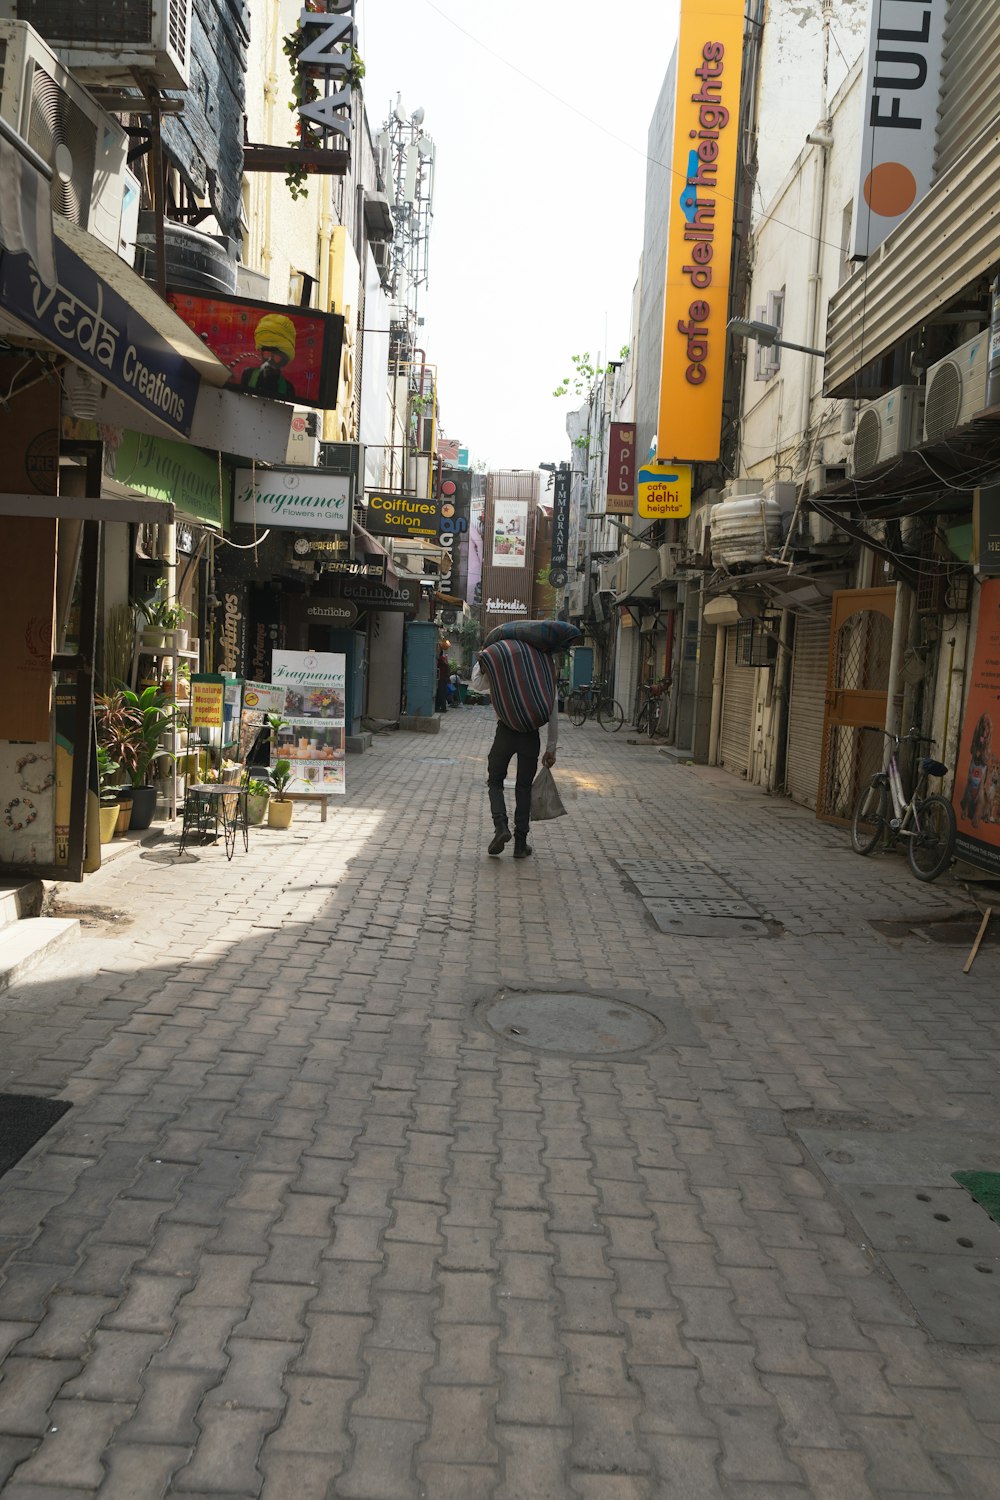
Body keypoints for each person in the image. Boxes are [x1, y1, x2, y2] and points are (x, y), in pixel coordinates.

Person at [469, 650, 558, 860]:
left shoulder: (502, 660)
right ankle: (520, 844)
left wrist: (480, 666)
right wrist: (551, 747)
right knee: (524, 787)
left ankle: (501, 826)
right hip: (530, 735)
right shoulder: (542, 663)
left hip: (506, 731)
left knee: (495, 780)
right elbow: (552, 707)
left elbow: (478, 685)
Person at [238, 313, 298, 400]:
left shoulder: (288, 388)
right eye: (267, 353)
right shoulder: (248, 375)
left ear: (283, 360)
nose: (270, 360)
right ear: (262, 353)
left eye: (276, 356)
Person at [435, 649, 451, 713]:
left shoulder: (440, 659)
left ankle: (442, 707)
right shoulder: (443, 659)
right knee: (441, 693)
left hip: (441, 678)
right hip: (443, 678)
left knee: (441, 693)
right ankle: (441, 707)